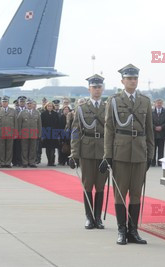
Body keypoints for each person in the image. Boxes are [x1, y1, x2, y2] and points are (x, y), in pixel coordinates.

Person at [99, 64, 153, 245]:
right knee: (120, 193)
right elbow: (109, 129)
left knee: (136, 194)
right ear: (122, 81)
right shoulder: (114, 101)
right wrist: (108, 155)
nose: (133, 81)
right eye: (129, 78)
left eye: (135, 78)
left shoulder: (145, 101)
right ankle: (121, 230)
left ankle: (133, 231)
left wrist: (150, 153)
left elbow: (149, 130)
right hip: (120, 153)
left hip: (139, 153)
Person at [70, 74, 107, 229]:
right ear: (89, 89)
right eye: (94, 87)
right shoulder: (82, 108)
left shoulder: (108, 108)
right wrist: (74, 153)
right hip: (86, 150)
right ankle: (88, 217)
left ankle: (98, 217)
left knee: (100, 186)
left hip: (104, 151)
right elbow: (75, 132)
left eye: (99, 87)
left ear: (102, 88)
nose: (97, 90)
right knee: (87, 185)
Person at [0, 96, 17, 168]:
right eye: (3, 102)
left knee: (9, 149)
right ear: (1, 103)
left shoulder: (13, 111)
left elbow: (15, 123)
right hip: (1, 133)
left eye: (6, 102)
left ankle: (8, 162)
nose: (4, 103)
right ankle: (2, 162)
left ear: (8, 102)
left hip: (10, 132)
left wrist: (15, 133)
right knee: (1, 149)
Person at [18, 98, 42, 167]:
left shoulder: (37, 113)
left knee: (33, 149)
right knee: (24, 149)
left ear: (33, 104)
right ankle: (25, 162)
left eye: (30, 103)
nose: (29, 105)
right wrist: (19, 133)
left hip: (34, 134)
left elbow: (39, 124)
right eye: (28, 103)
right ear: (26, 104)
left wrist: (39, 133)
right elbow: (19, 124)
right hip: (24, 134)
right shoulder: (22, 113)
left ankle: (32, 162)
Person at [41, 102, 60, 166]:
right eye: (48, 106)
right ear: (46, 107)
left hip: (54, 133)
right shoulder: (43, 114)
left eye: (51, 106)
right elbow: (42, 124)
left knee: (53, 148)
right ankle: (49, 161)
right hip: (46, 133)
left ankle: (52, 161)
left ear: (53, 107)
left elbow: (58, 124)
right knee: (47, 148)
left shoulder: (55, 114)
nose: (50, 107)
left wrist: (58, 133)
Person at [152, 99, 165, 167]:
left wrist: (161, 127)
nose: (159, 104)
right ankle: (152, 162)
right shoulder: (151, 111)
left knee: (161, 149)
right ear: (155, 104)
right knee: (153, 149)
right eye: (157, 103)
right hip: (153, 133)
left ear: (162, 104)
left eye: (160, 103)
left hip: (162, 133)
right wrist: (154, 127)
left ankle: (160, 162)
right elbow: (149, 121)